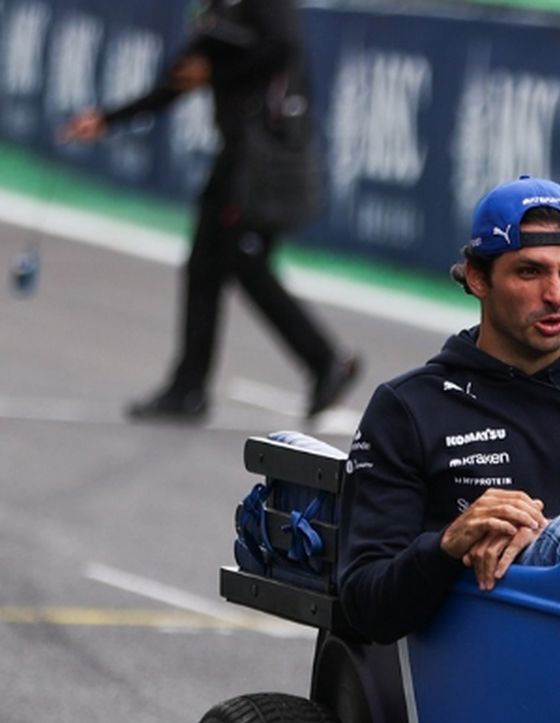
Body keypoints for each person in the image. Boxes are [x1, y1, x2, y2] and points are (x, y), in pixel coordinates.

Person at [335, 176, 560, 643]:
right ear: (477, 277)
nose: (556, 295)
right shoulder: (411, 407)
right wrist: (449, 546)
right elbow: (364, 603)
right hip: (492, 658)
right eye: (530, 272)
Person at [58, 0, 358, 422]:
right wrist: (108, 119)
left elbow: (279, 48)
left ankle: (320, 361)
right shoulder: (218, 10)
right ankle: (195, 386)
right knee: (208, 267)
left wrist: (217, 73)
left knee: (241, 262)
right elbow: (182, 77)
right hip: (237, 158)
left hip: (268, 163)